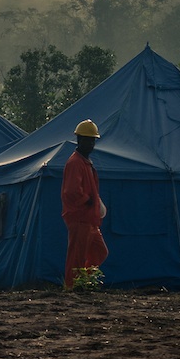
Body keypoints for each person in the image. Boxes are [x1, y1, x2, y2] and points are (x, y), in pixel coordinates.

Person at [61, 119, 109, 288]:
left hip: (89, 218)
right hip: (80, 217)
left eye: (93, 140)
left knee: (99, 251)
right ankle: (72, 287)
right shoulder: (75, 163)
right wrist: (88, 201)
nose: (91, 144)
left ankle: (84, 280)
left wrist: (96, 202)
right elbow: (71, 191)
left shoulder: (85, 163)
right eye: (88, 140)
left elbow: (89, 189)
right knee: (76, 256)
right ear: (79, 140)